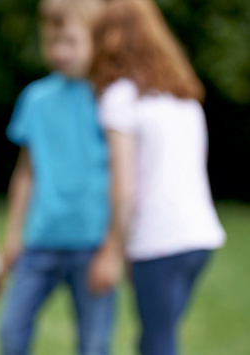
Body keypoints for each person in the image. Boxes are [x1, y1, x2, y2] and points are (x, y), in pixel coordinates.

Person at [88, 0, 226, 354]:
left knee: (159, 341)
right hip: (200, 237)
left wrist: (113, 250)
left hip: (158, 239)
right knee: (156, 336)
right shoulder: (184, 97)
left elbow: (124, 185)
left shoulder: (120, 97)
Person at [0, 0, 116, 354]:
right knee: (10, 330)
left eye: (71, 41)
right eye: (52, 41)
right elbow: (26, 173)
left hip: (92, 241)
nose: (60, 51)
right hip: (40, 240)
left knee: (94, 343)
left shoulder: (110, 98)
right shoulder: (35, 99)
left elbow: (124, 177)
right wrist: (13, 235)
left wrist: (113, 248)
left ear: (97, 40)